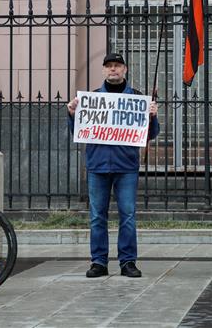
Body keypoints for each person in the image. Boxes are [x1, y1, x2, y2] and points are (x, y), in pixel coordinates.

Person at [67, 52, 160, 278]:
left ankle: (127, 262)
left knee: (127, 215)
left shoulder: (138, 99)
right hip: (97, 166)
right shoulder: (92, 99)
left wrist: (152, 117)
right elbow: (77, 132)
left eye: (117, 65)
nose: (113, 69)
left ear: (125, 69)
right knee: (97, 216)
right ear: (103, 70)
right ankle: (98, 262)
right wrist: (72, 114)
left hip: (126, 166)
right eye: (109, 66)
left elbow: (151, 134)